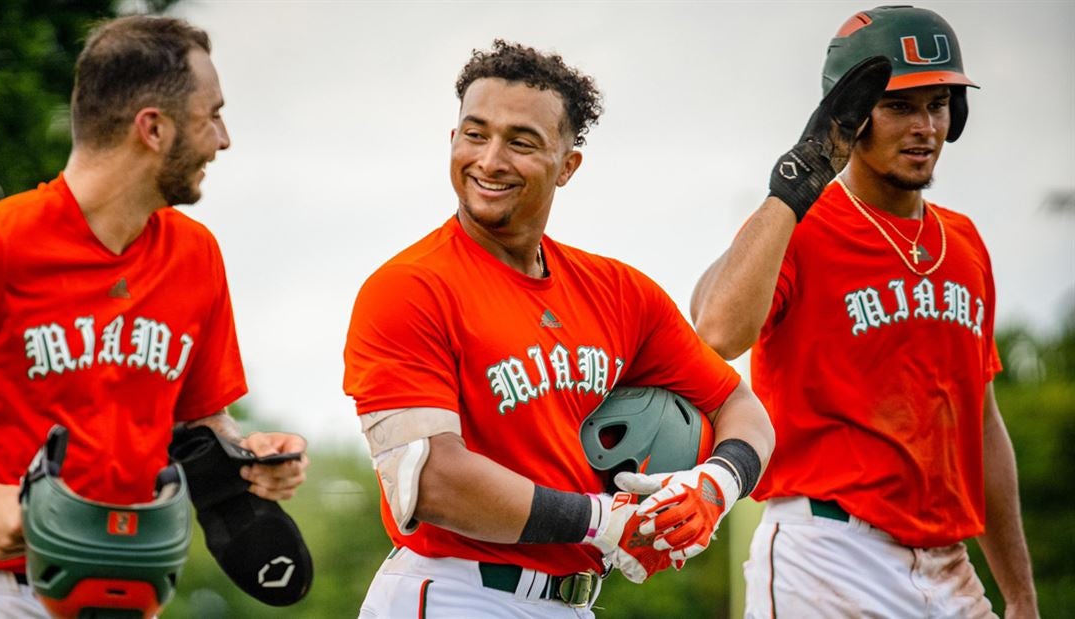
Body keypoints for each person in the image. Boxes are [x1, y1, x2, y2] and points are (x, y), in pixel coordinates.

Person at [0, 16, 308, 617]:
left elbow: (202, 422)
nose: (224, 138)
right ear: (152, 128)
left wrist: (251, 455)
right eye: (212, 115)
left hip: (139, 598)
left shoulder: (195, 255)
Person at [343, 40, 775, 617]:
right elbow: (430, 481)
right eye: (475, 134)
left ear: (567, 165)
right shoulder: (409, 286)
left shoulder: (619, 292)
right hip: (454, 593)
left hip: (574, 601)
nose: (490, 160)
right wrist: (605, 521)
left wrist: (714, 487)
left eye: (520, 142)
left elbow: (739, 404)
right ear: (452, 140)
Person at [689, 6, 1038, 618]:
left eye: (938, 104)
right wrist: (793, 188)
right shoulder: (800, 224)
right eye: (900, 106)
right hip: (828, 553)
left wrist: (1021, 597)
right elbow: (715, 331)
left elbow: (982, 426)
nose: (925, 126)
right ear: (848, 116)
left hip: (949, 566)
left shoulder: (965, 244)